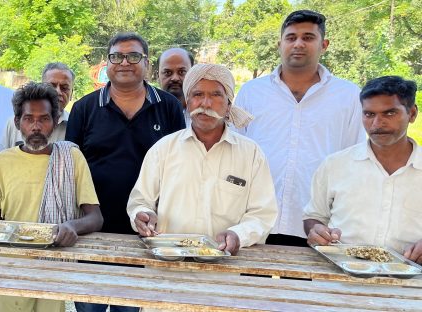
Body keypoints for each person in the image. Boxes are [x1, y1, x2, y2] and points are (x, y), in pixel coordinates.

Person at [66, 32, 185, 312]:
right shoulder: (84, 108)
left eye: (133, 56)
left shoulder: (167, 106)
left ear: (147, 63)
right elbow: (71, 168)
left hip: (145, 231)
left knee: (129, 307)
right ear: (106, 63)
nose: (124, 63)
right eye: (116, 56)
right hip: (92, 230)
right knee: (89, 307)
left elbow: (179, 165)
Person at [0, 82, 103, 312]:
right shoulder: (3, 161)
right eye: (29, 119)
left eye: (44, 119)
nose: (36, 126)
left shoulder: (72, 157)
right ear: (17, 122)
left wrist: (72, 226)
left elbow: (95, 218)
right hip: (11, 265)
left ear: (56, 121)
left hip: (52, 268)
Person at [234, 10, 366, 247]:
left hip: (318, 226)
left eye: (308, 37)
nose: (298, 44)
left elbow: (353, 160)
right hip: (256, 219)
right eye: (291, 37)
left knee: (311, 285)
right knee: (250, 283)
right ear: (279, 44)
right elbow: (235, 153)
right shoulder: (251, 92)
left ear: (323, 45)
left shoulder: (348, 96)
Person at [128, 64, 277, 259]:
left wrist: (238, 235)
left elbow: (262, 214)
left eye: (216, 95)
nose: (205, 103)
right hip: (168, 263)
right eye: (197, 94)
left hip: (226, 265)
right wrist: (142, 215)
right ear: (188, 103)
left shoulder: (251, 154)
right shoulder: (163, 149)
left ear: (228, 105)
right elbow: (140, 201)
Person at [304, 76, 422, 264]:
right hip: (339, 276)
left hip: (411, 281)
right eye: (369, 114)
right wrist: (317, 231)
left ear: (412, 114)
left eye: (389, 113)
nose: (377, 123)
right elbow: (314, 217)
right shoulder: (335, 165)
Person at [1, 62, 74, 148]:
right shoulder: (14, 124)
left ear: (71, 94)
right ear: (41, 87)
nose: (58, 92)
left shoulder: (73, 126)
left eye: (64, 88)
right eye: (52, 86)